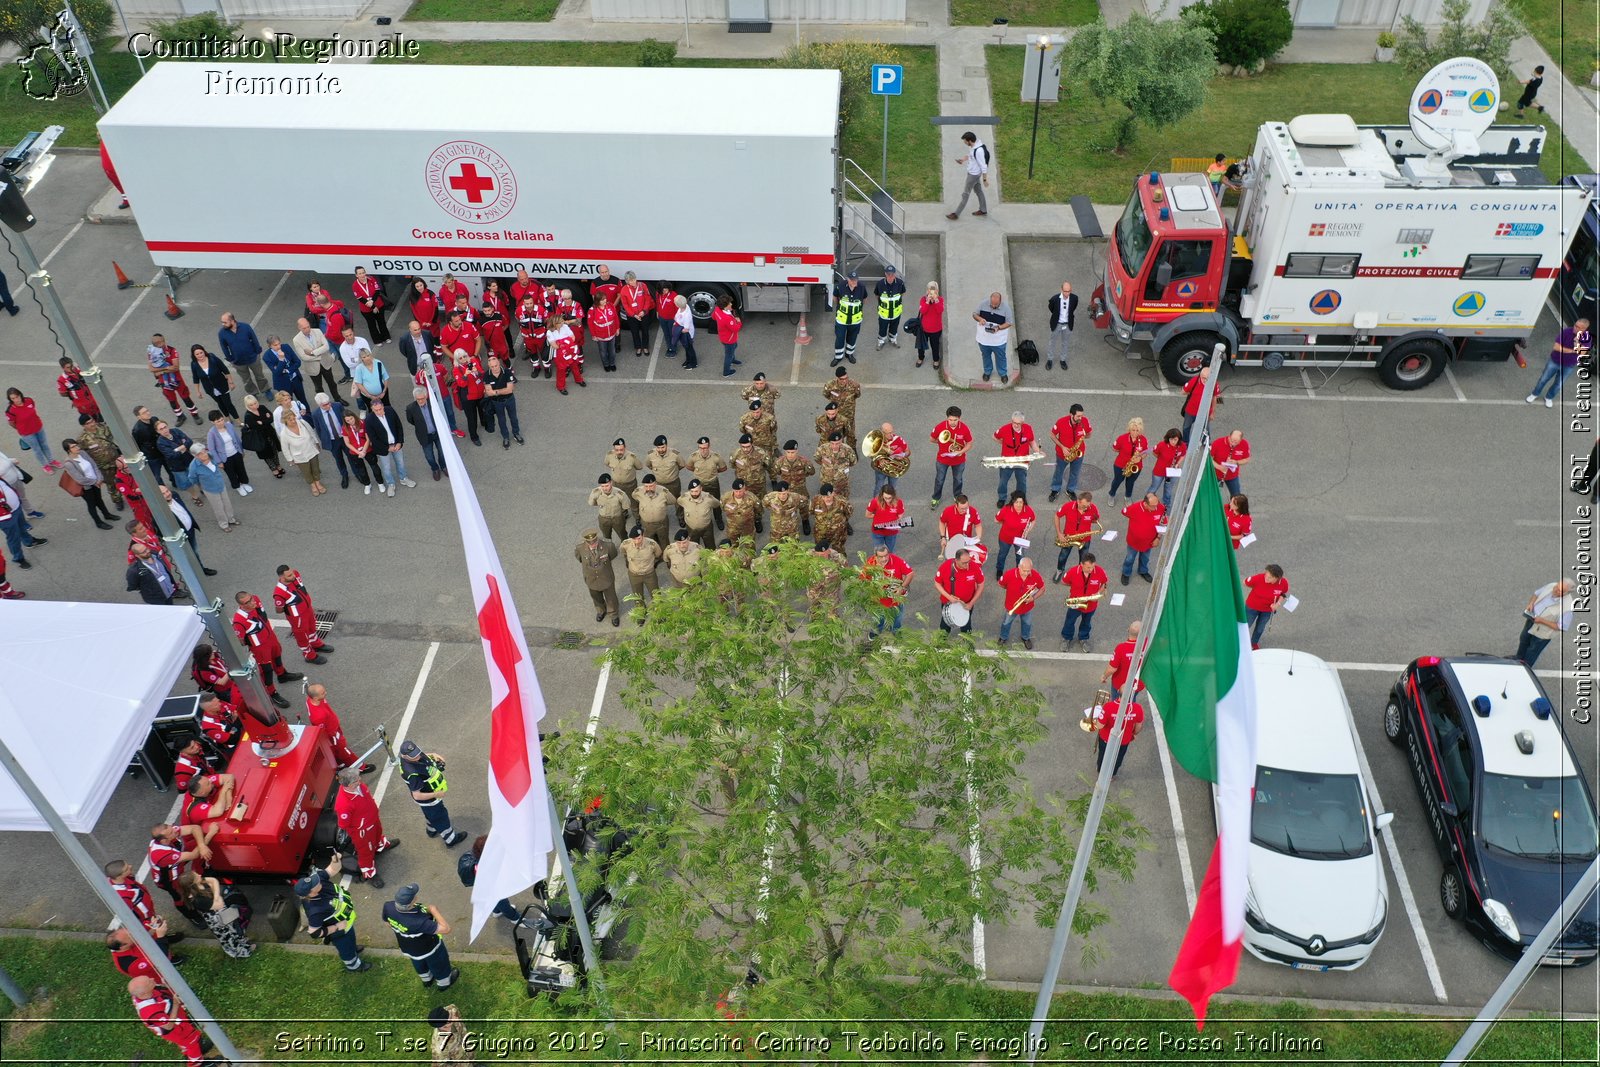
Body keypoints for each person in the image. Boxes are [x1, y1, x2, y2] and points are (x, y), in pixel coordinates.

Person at [296, 856, 372, 973]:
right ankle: (354, 966)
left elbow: (332, 869)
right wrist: (336, 928)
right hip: (339, 932)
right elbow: (314, 932)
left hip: (347, 924)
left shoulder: (318, 881)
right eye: (315, 884)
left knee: (351, 940)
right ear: (310, 893)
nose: (318, 881)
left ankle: (353, 949)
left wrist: (335, 860)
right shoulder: (315, 910)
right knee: (345, 950)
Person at [232, 590, 303, 708]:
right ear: (241, 605)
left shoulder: (255, 599)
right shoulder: (238, 621)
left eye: (251, 598)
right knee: (267, 670)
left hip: (270, 637)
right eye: (248, 602)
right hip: (259, 647)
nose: (253, 602)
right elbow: (241, 641)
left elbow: (263, 616)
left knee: (277, 655)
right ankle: (271, 693)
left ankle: (282, 675)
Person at [384, 882, 460, 990]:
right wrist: (434, 910)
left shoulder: (388, 906)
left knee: (418, 963)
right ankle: (444, 982)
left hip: (408, 948)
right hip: (429, 948)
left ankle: (427, 980)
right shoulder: (418, 922)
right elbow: (446, 929)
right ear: (410, 903)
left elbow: (387, 923)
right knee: (439, 964)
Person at [335, 766, 399, 887]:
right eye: (356, 780)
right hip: (362, 832)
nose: (360, 780)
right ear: (348, 785)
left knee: (378, 834)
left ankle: (380, 845)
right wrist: (361, 826)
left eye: (359, 778)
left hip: (373, 821)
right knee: (365, 853)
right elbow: (343, 824)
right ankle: (369, 872)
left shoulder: (360, 786)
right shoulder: (343, 804)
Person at [128, 976, 213, 1065]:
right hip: (175, 1029)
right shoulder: (149, 1011)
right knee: (190, 1042)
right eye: (149, 982)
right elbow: (169, 1026)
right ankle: (196, 1063)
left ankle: (198, 1048)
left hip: (176, 1020)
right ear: (144, 993)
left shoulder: (142, 994)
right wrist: (176, 1004)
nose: (152, 979)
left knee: (191, 1040)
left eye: (149, 978)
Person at [399, 740, 468, 847]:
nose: (418, 756)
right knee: (441, 816)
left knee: (430, 815)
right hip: (430, 800)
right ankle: (451, 839)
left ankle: (431, 830)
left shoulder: (409, 758)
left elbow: (421, 756)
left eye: (417, 752)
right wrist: (437, 794)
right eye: (414, 755)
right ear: (405, 756)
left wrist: (432, 755)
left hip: (428, 801)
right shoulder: (412, 774)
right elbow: (416, 795)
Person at [177, 871, 254, 958]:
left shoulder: (199, 883)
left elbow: (214, 881)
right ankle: (242, 952)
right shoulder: (198, 900)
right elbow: (219, 905)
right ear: (192, 884)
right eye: (196, 876)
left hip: (221, 912)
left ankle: (244, 944)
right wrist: (218, 896)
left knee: (235, 929)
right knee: (229, 936)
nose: (199, 875)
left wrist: (216, 896)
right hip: (217, 919)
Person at [306, 683, 374, 773]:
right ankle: (360, 767)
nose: (325, 693)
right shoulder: (318, 716)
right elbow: (325, 731)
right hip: (333, 734)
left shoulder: (310, 700)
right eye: (322, 693)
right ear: (315, 698)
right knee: (344, 750)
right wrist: (335, 737)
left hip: (334, 730)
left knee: (335, 750)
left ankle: (338, 763)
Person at [273, 564, 333, 662]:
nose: (293, 576)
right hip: (297, 617)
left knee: (312, 627)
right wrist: (293, 608)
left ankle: (316, 644)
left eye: (291, 573)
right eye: (289, 576)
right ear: (282, 578)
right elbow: (279, 610)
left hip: (308, 609)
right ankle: (309, 656)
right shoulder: (279, 593)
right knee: (302, 636)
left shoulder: (295, 574)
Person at [1527, 318, 1591, 408]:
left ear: (1584, 329)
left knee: (1558, 384)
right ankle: (1535, 394)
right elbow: (1556, 347)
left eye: (1578, 327)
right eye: (1575, 325)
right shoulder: (1567, 331)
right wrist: (1573, 351)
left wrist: (1576, 342)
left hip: (1569, 365)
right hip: (1555, 361)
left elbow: (1582, 353)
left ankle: (1549, 397)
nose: (1575, 328)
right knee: (1543, 379)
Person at [1516, 578, 1575, 667]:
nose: (1555, 590)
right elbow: (1536, 594)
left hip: (1543, 633)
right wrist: (1531, 603)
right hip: (1531, 620)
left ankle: (1525, 668)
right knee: (1524, 640)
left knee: (1532, 650)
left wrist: (1542, 621)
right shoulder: (1551, 586)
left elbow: (1561, 626)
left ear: (1566, 593)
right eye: (1557, 586)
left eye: (1560, 591)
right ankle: (1518, 659)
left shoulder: (1567, 608)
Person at [59, 439, 117, 529]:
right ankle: (98, 523)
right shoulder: (69, 464)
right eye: (73, 447)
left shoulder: (82, 453)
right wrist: (95, 482)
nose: (77, 447)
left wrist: (99, 478)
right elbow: (80, 479)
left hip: (96, 482)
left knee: (99, 499)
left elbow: (94, 465)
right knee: (91, 504)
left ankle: (107, 514)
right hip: (86, 487)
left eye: (76, 445)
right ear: (68, 450)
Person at [146, 334, 203, 426]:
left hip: (177, 380)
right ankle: (180, 416)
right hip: (164, 383)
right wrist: (167, 368)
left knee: (185, 397)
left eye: (160, 342)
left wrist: (160, 372)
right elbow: (151, 369)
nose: (158, 344)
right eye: (155, 343)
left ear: (164, 341)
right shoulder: (151, 353)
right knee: (171, 400)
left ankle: (195, 414)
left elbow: (176, 368)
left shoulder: (172, 350)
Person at [366, 399, 416, 496]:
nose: (379, 412)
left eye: (380, 409)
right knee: (386, 468)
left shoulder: (390, 410)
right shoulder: (369, 420)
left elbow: (399, 426)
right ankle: (391, 484)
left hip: (396, 444)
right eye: (376, 410)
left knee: (400, 462)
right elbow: (373, 438)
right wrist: (386, 448)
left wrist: (399, 442)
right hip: (383, 448)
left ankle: (403, 478)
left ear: (383, 406)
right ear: (372, 409)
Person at [1061, 551, 1109, 651]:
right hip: (1076, 602)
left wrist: (1098, 593)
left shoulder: (1099, 571)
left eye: (1092, 567)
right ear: (1081, 564)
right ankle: (1066, 638)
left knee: (1086, 622)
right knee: (1070, 621)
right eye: (1088, 567)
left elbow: (1104, 583)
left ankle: (1083, 638)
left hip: (1091, 604)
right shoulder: (1073, 571)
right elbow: (1064, 582)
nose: (1091, 569)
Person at [862, 542, 913, 635]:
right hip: (878, 602)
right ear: (875, 556)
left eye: (886, 555)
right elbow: (863, 580)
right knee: (878, 621)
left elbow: (910, 573)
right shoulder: (870, 564)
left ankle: (896, 635)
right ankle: (874, 635)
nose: (884, 559)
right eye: (881, 557)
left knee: (897, 621)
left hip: (895, 601)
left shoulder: (897, 560)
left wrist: (901, 587)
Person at [154, 418, 205, 510]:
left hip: (189, 461)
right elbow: (171, 455)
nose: (164, 430)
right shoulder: (160, 443)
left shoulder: (176, 431)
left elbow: (189, 441)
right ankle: (195, 496)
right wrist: (183, 448)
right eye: (161, 429)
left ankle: (202, 489)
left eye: (165, 427)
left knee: (197, 476)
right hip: (177, 467)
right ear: (157, 431)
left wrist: (178, 449)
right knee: (186, 483)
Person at [928, 405, 972, 509]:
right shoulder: (940, 426)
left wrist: (961, 451)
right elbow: (932, 439)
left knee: (958, 480)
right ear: (947, 418)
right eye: (950, 419)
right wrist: (942, 443)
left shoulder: (964, 428)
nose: (952, 422)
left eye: (955, 420)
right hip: (942, 459)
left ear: (959, 418)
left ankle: (957, 496)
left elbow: (969, 443)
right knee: (939, 480)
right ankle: (936, 498)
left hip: (959, 460)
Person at [998, 555, 1045, 649]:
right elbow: (1001, 584)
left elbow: (1042, 588)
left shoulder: (1035, 575)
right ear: (1019, 567)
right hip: (1012, 606)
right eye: (1024, 570)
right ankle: (1003, 637)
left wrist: (1033, 598)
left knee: (1027, 624)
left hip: (1027, 607)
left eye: (1029, 570)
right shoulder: (1009, 574)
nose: (1027, 573)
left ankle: (1025, 638)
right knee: (1006, 623)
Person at [185, 447, 238, 531]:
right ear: (195, 456)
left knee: (227, 503)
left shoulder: (211, 455)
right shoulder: (194, 466)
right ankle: (224, 524)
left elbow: (217, 464)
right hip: (210, 489)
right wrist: (201, 484)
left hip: (220, 484)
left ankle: (231, 519)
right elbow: (192, 478)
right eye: (200, 454)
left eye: (204, 451)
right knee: (218, 508)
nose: (204, 454)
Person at [1092, 693, 1145, 777]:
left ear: (1118, 692)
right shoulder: (1137, 708)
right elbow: (1139, 726)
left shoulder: (1108, 706)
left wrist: (1097, 718)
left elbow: (1099, 726)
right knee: (1118, 757)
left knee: (1103, 755)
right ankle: (1112, 775)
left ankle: (1100, 770)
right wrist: (1134, 733)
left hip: (1106, 739)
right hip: (1124, 740)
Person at [1048, 403, 1093, 503]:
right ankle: (1055, 489)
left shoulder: (1084, 421)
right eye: (1078, 416)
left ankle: (1070, 490)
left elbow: (1089, 433)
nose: (1081, 418)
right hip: (1062, 453)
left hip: (1078, 453)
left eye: (1082, 415)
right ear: (1071, 415)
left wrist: (1084, 436)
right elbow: (1052, 435)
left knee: (1075, 473)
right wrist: (1063, 447)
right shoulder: (1061, 422)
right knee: (1058, 472)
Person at [936, 546, 985, 636]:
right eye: (964, 563)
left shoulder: (974, 567)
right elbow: (937, 583)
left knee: (966, 627)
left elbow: (981, 585)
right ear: (956, 560)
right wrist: (949, 597)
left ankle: (968, 646)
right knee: (944, 626)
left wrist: (971, 603)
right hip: (948, 603)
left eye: (968, 562)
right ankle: (940, 644)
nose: (967, 565)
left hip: (967, 604)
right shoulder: (946, 566)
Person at [292, 317, 342, 403]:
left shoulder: (317, 331)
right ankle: (323, 403)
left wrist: (312, 353)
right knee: (318, 387)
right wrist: (319, 355)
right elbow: (303, 357)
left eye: (308, 326)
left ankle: (338, 399)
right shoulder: (296, 340)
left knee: (332, 383)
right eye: (304, 328)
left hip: (325, 363)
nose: (307, 329)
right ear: (299, 328)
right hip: (312, 367)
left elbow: (326, 347)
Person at [1120, 492, 1166, 586]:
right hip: (1134, 542)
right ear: (1145, 504)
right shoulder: (1134, 508)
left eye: (1156, 504)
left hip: (1149, 542)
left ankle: (1143, 571)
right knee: (1130, 558)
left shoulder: (1160, 508)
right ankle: (1126, 573)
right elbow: (1124, 511)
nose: (1156, 508)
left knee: (1145, 558)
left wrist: (1158, 538)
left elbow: (1163, 524)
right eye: (1153, 506)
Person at [277, 406, 325, 495]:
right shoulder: (284, 434)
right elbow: (285, 448)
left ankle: (318, 483)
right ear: (285, 421)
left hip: (311, 450)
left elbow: (311, 432)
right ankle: (313, 485)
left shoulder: (302, 423)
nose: (293, 421)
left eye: (293, 418)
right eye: (290, 420)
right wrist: (290, 460)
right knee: (306, 472)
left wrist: (317, 443)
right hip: (300, 456)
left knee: (316, 468)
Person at [217, 312, 267, 397]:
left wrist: (257, 352)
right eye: (222, 322)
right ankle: (253, 393)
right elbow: (224, 347)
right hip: (238, 361)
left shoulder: (245, 327)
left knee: (260, 376)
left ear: (232, 321)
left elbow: (254, 339)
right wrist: (231, 359)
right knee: (246, 380)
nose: (223, 324)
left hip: (253, 358)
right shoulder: (222, 333)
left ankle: (266, 389)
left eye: (225, 322)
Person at [5, 387, 56, 471]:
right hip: (27, 433)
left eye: (17, 397)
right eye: (13, 398)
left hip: (38, 427)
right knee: (37, 449)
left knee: (44, 445)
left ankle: (51, 461)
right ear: (10, 399)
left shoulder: (29, 400)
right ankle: (45, 465)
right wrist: (22, 428)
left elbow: (33, 409)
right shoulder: (10, 410)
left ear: (20, 395)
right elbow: (11, 423)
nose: (16, 400)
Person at [992, 410, 1036, 506]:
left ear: (1022, 423)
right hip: (1007, 461)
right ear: (1011, 421)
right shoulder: (1005, 429)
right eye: (1014, 423)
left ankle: (1021, 498)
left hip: (1022, 461)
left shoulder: (1028, 429)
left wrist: (1037, 451)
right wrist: (1003, 443)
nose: (1016, 425)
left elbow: (1032, 441)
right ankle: (1002, 498)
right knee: (1003, 481)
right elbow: (994, 436)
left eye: (1018, 423)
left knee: (1022, 482)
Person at [203, 410, 251, 498]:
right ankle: (237, 486)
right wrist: (219, 462)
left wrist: (241, 450)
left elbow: (236, 438)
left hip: (236, 452)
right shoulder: (211, 433)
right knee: (231, 473)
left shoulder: (229, 425)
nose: (221, 422)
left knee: (241, 469)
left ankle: (244, 483)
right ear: (212, 422)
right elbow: (212, 449)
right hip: (225, 458)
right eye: (218, 421)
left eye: (222, 420)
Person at [1054, 491, 1100, 581]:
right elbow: (1057, 516)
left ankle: (1080, 575)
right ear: (1078, 501)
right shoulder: (1068, 506)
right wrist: (1059, 533)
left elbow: (1096, 519)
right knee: (1063, 556)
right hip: (1068, 537)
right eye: (1084, 506)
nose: (1086, 508)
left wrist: (1090, 518)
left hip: (1085, 539)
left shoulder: (1092, 508)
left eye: (1087, 506)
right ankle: (1059, 570)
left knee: (1083, 559)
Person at [1243, 564, 1289, 649]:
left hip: (1267, 610)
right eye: (1266, 574)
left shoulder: (1283, 583)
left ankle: (1253, 644)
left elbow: (1283, 594)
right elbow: (1245, 582)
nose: (1266, 578)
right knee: (1246, 626)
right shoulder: (1258, 578)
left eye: (1270, 577)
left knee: (1260, 629)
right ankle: (1239, 642)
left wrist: (1277, 604)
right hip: (1252, 608)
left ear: (1277, 578)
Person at [405, 386, 447, 481]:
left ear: (426, 396)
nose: (420, 401)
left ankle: (443, 466)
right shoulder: (410, 408)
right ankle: (435, 469)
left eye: (422, 398)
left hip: (437, 433)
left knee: (442, 452)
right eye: (418, 399)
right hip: (424, 436)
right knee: (429, 456)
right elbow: (411, 421)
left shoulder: (433, 403)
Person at [946, 131, 990, 220]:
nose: (964, 143)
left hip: (973, 175)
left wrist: (985, 180)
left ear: (970, 141)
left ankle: (956, 214)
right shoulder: (975, 145)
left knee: (965, 194)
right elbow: (970, 155)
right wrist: (962, 160)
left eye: (965, 141)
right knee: (978, 191)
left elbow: (984, 166)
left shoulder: (979, 151)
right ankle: (983, 210)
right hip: (974, 174)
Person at [621, 525, 663, 616]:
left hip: (649, 574)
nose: (637, 541)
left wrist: (651, 564)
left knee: (656, 594)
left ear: (643, 535)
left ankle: (659, 613)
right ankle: (640, 613)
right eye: (634, 539)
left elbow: (658, 554)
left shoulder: (652, 544)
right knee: (637, 596)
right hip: (634, 575)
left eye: (639, 538)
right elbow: (623, 552)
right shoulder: (626, 544)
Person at [239, 394, 284, 479]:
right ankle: (274, 469)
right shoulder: (248, 416)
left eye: (255, 403)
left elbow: (271, 418)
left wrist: (262, 422)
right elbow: (256, 426)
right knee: (267, 455)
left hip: (270, 434)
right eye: (251, 405)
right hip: (260, 439)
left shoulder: (262, 407)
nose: (254, 406)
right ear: (247, 406)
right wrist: (265, 420)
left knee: (274, 451)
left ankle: (278, 466)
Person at [482, 355, 523, 448]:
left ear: (499, 363)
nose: (494, 368)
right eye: (492, 367)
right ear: (489, 367)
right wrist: (500, 391)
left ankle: (516, 433)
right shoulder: (486, 375)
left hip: (509, 400)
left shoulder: (507, 372)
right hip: (497, 402)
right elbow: (488, 393)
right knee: (501, 420)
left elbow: (510, 389)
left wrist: (496, 391)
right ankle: (505, 437)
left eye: (495, 365)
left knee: (513, 418)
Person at [992, 490, 1035, 579]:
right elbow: (996, 520)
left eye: (1021, 502)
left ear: (1024, 502)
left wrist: (1028, 530)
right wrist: (1005, 523)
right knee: (1002, 555)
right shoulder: (1006, 510)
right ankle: (999, 570)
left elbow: (1033, 519)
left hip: (1020, 539)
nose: (1018, 505)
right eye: (1016, 502)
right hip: (1005, 538)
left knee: (1020, 557)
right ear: (1012, 502)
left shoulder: (1028, 510)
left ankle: (1019, 571)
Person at [973, 291, 1013, 384]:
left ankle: (1003, 374)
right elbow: (974, 314)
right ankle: (987, 372)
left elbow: (1009, 322)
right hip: (984, 339)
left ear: (1000, 301)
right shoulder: (983, 304)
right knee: (985, 356)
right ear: (990, 299)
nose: (993, 306)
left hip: (998, 340)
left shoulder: (1006, 308)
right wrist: (980, 319)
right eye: (992, 304)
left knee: (1001, 357)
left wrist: (998, 327)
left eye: (996, 304)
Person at [1101, 620, 1147, 700]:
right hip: (1138, 684)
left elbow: (1112, 668)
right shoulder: (1147, 644)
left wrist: (1104, 676)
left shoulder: (1121, 648)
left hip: (1120, 685)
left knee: (1118, 703)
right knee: (1132, 699)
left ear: (1128, 629)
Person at [188, 345, 236, 420]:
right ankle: (227, 418)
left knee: (228, 404)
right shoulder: (194, 364)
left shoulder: (213, 359)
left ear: (204, 351)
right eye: (197, 354)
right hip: (210, 389)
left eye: (201, 352)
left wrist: (231, 382)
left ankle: (238, 420)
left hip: (222, 385)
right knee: (220, 404)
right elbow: (196, 378)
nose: (200, 355)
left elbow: (225, 370)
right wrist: (197, 391)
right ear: (194, 355)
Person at [1108, 417, 1150, 501]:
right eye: (1133, 430)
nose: (1134, 432)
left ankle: (1128, 497)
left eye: (1137, 430)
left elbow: (1145, 453)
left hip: (1136, 465)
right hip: (1120, 465)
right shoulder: (1122, 438)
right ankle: (1111, 494)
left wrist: (1140, 458)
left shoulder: (1143, 440)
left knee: (1130, 482)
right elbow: (1114, 448)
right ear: (1129, 429)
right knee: (1117, 481)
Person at [261, 335, 307, 410]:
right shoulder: (267, 356)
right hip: (283, 384)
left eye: (279, 343)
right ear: (269, 346)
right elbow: (277, 373)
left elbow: (297, 362)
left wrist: (288, 370)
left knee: (303, 400)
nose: (278, 346)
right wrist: (281, 359)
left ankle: (307, 417)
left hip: (295, 379)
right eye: (275, 345)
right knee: (288, 404)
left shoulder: (286, 347)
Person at [633, 475, 677, 549]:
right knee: (649, 542)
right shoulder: (638, 492)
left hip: (662, 524)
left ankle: (665, 556)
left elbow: (673, 500)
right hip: (647, 525)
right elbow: (635, 497)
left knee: (664, 541)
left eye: (651, 486)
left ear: (656, 484)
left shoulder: (664, 492)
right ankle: (655, 556)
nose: (648, 489)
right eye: (646, 486)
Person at [1147, 428, 1186, 508]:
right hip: (1159, 471)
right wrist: (1162, 459)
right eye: (1171, 439)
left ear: (1178, 439)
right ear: (1168, 438)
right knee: (1154, 488)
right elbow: (1155, 453)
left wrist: (1178, 463)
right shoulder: (1162, 444)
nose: (1173, 442)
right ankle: (1147, 503)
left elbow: (1183, 455)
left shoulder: (1182, 446)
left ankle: (1166, 506)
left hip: (1172, 472)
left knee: (1168, 490)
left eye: (1175, 440)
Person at [352, 266, 393, 344]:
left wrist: (372, 302)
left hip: (378, 305)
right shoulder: (355, 285)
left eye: (363, 272)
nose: (362, 275)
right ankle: (377, 340)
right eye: (360, 273)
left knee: (381, 322)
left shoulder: (371, 279)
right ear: (356, 275)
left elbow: (377, 291)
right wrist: (373, 306)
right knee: (372, 325)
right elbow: (360, 298)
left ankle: (386, 337)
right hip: (366, 309)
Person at [549, 312, 588, 393]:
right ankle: (561, 387)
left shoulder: (565, 327)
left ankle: (579, 380)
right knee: (561, 370)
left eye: (562, 321)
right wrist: (566, 342)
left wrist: (562, 343)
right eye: (561, 322)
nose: (563, 323)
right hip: (559, 355)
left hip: (569, 351)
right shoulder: (549, 332)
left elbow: (573, 337)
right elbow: (555, 346)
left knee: (575, 366)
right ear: (555, 323)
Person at [823, 365, 862, 443]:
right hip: (837, 415)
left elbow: (857, 395)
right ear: (837, 378)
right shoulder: (830, 385)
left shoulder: (854, 385)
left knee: (850, 433)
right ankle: (841, 449)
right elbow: (826, 394)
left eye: (846, 378)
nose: (845, 381)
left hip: (849, 414)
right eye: (842, 379)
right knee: (838, 434)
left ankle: (852, 448)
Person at [619, 271, 654, 356]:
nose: (633, 282)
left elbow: (647, 299)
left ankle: (645, 346)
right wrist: (633, 315)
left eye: (634, 279)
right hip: (632, 316)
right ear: (627, 281)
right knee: (635, 332)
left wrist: (644, 311)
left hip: (643, 314)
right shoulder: (624, 290)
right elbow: (625, 304)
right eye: (630, 280)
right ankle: (638, 347)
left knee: (645, 331)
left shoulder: (642, 286)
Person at [680, 480, 722, 550]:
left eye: (696, 491)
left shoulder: (709, 498)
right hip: (691, 529)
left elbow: (716, 504)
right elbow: (679, 502)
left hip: (706, 528)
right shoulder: (684, 498)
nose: (694, 494)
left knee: (710, 547)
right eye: (692, 491)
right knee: (693, 548)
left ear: (701, 489)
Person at [1181, 366, 1219, 441]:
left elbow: (1214, 398)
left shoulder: (1214, 384)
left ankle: (1205, 442)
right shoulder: (1194, 381)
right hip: (1191, 411)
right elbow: (1183, 392)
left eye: (1207, 378)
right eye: (1203, 378)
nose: (1205, 380)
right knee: (1186, 428)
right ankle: (1185, 442)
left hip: (1205, 412)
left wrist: (1212, 413)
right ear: (1200, 376)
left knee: (1205, 429)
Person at [1045, 281, 1077, 371]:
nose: (1067, 293)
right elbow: (1051, 308)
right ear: (1061, 290)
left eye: (1069, 291)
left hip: (1067, 324)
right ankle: (1050, 359)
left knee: (1065, 343)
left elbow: (1073, 308)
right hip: (1057, 324)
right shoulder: (1054, 299)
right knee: (1052, 342)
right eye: (1065, 291)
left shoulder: (1074, 299)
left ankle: (1062, 360)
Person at [1210, 428, 1251, 497]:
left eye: (1236, 442)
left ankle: (1232, 507)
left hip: (1232, 476)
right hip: (1216, 474)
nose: (1233, 443)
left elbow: (1246, 459)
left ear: (1241, 440)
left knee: (1236, 497)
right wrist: (1219, 467)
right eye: (1232, 440)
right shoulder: (1218, 443)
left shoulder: (1244, 444)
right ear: (1229, 436)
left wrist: (1236, 462)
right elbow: (1209, 458)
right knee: (1206, 492)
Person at [866, 485, 906, 553]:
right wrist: (878, 517)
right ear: (882, 495)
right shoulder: (875, 501)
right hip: (878, 532)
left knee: (889, 552)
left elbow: (900, 516)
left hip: (891, 532)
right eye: (885, 498)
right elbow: (867, 515)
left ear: (893, 495)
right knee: (879, 553)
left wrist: (897, 524)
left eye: (890, 498)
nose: (887, 500)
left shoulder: (899, 502)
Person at [874, 265, 906, 349]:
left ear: (895, 274)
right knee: (882, 327)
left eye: (892, 274)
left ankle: (892, 339)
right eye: (888, 274)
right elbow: (877, 295)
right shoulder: (880, 284)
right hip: (884, 312)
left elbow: (902, 293)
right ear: (885, 274)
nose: (890, 276)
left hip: (896, 312)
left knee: (894, 327)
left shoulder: (900, 283)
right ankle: (881, 341)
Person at [916, 280, 944, 369]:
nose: (931, 292)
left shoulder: (940, 300)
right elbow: (922, 311)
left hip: (936, 329)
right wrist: (927, 302)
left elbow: (940, 310)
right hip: (924, 328)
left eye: (934, 290)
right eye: (930, 290)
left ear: (937, 291)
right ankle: (921, 357)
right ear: (927, 290)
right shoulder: (923, 299)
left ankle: (936, 360)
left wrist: (935, 300)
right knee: (921, 345)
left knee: (935, 346)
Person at [671, 295, 698, 370]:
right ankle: (688, 360)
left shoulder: (686, 315)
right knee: (687, 348)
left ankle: (693, 363)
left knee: (689, 349)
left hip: (687, 334)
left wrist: (677, 329)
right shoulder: (683, 307)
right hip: (684, 332)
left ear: (678, 305)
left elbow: (686, 329)